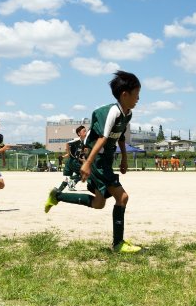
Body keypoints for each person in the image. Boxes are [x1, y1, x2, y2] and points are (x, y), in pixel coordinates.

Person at [44, 71, 142, 254]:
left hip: (104, 160)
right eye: (137, 94)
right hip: (97, 160)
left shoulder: (127, 114)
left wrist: (124, 160)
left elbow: (120, 137)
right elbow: (102, 139)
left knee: (99, 203)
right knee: (122, 197)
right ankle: (118, 243)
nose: (138, 98)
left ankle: (57, 196)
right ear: (125, 94)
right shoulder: (113, 111)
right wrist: (88, 163)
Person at [57, 125, 87, 192]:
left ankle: (59, 190)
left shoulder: (84, 142)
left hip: (73, 161)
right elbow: (67, 143)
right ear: (79, 133)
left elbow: (79, 153)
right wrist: (68, 153)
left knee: (67, 178)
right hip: (73, 161)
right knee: (85, 173)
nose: (86, 132)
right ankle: (72, 182)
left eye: (86, 131)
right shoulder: (76, 140)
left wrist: (83, 158)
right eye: (84, 131)